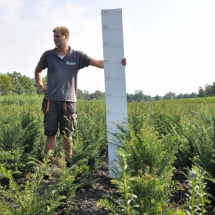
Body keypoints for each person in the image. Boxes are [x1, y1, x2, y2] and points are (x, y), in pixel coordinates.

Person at [34, 26, 126, 162]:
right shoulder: (48, 55)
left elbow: (98, 63)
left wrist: (117, 62)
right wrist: (40, 86)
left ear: (66, 37)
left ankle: (69, 165)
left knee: (67, 134)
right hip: (50, 101)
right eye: (53, 36)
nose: (54, 39)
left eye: (57, 36)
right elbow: (38, 71)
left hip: (68, 102)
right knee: (50, 134)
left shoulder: (77, 56)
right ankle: (47, 167)